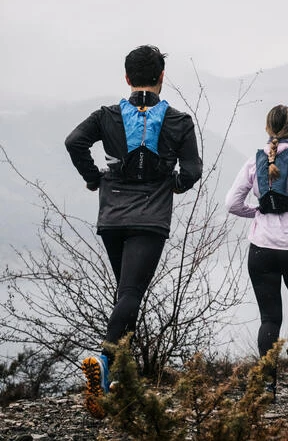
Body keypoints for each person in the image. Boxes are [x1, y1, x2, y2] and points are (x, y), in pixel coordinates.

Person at [64, 45, 202, 417]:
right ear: (161, 77)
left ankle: (117, 381)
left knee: (127, 296)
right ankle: (106, 362)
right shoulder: (178, 121)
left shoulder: (106, 116)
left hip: (111, 218)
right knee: (130, 294)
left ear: (127, 78)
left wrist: (95, 179)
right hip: (149, 220)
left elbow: (73, 142)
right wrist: (172, 184)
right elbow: (192, 171)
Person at [225, 104, 288, 396]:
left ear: (268, 129)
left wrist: (257, 212)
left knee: (269, 318)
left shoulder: (253, 160)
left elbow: (231, 203)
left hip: (261, 250)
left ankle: (268, 384)